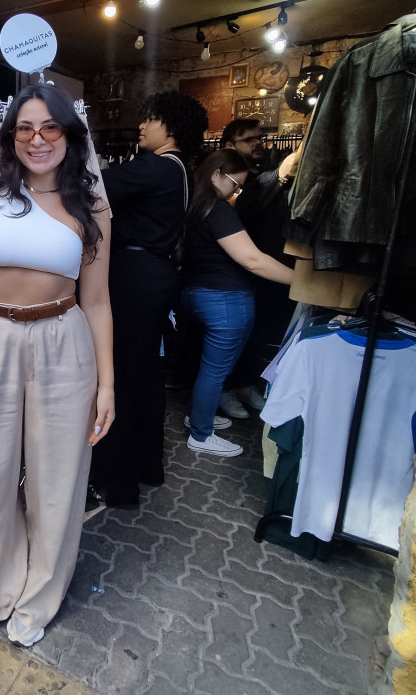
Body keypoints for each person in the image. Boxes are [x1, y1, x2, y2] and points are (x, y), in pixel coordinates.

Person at [0, 83, 114, 648]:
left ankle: (40, 595)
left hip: (64, 342)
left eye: (50, 127)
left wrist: (107, 383)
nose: (37, 139)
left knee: (57, 479)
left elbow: (98, 300)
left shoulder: (91, 207)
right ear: (11, 136)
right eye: (25, 127)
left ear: (69, 135)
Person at [89, 90, 206, 507]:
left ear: (169, 128)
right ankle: (147, 467)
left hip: (134, 278)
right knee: (146, 376)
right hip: (156, 276)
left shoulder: (154, 167)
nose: (141, 125)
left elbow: (94, 186)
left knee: (118, 377)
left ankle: (117, 484)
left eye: (150, 119)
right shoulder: (182, 170)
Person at [180, 149, 294, 457]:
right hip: (225, 301)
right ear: (216, 173)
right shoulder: (218, 209)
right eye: (235, 184)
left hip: (194, 293)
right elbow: (253, 260)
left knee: (207, 368)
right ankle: (201, 434)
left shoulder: (193, 203)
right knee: (215, 371)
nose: (236, 192)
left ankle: (198, 416)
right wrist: (301, 281)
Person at [215, 119, 299, 420]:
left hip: (271, 267)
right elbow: (250, 208)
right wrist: (281, 175)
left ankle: (245, 383)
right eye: (249, 139)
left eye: (259, 138)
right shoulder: (232, 188)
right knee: (236, 337)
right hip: (241, 272)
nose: (258, 143)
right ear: (229, 146)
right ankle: (225, 387)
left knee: (262, 332)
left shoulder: (260, 178)